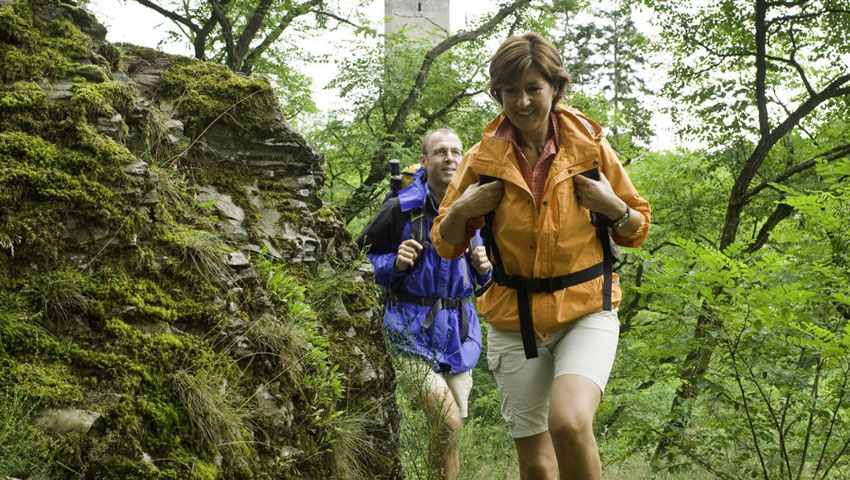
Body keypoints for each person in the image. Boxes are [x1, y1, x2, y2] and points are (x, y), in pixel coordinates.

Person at [431, 33, 651, 480]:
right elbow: (445, 242)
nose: (522, 101)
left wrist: (614, 207)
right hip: (514, 320)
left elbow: (637, 228)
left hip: (586, 308)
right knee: (536, 466)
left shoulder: (591, 149)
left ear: (556, 88)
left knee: (569, 421)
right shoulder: (481, 159)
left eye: (533, 88)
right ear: (498, 93)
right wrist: (463, 209)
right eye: (510, 90)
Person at [357, 128, 492, 480]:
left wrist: (486, 270)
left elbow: (494, 280)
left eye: (456, 152)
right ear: (424, 161)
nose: (449, 158)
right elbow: (353, 262)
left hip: (460, 336)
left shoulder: (479, 208)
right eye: (440, 152)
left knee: (449, 433)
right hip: (409, 332)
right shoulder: (400, 209)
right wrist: (393, 264)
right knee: (446, 420)